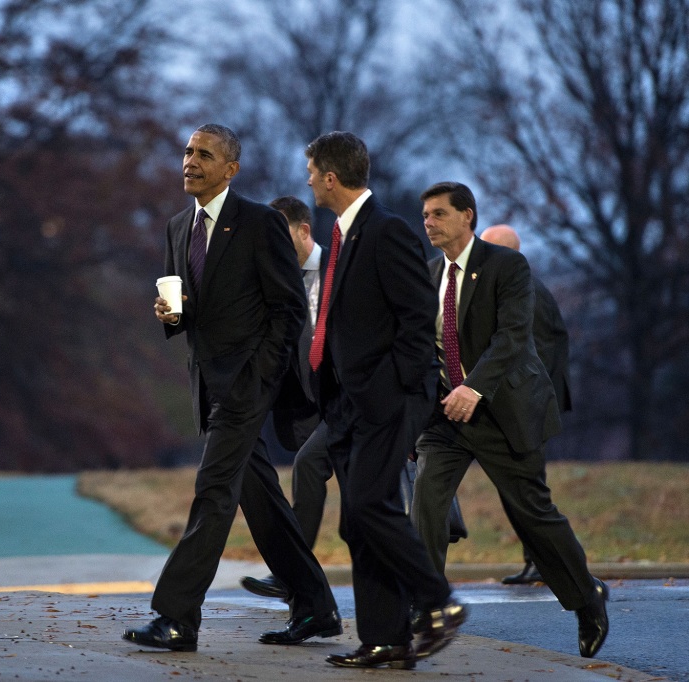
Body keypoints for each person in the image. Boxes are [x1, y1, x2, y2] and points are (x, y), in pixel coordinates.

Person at [122, 124, 341, 653]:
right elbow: (187, 308)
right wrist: (170, 314)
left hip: (247, 386)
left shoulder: (260, 222)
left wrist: (261, 376)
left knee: (213, 492)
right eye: (188, 152)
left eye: (204, 154)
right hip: (207, 383)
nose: (190, 161)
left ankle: (177, 617)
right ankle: (315, 605)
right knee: (258, 497)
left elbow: (288, 307)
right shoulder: (178, 226)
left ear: (230, 169)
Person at [412, 182, 608, 659]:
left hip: (503, 411)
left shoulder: (506, 266)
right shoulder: (428, 273)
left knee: (533, 514)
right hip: (446, 415)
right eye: (425, 215)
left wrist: (474, 388)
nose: (429, 222)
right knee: (426, 502)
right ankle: (428, 607)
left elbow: (514, 337)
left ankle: (587, 599)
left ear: (467, 216)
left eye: (439, 214)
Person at [304, 132, 465, 670]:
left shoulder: (387, 230)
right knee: (358, 521)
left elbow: (419, 323)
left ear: (330, 177)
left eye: (311, 171)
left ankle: (439, 602)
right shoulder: (345, 234)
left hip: (388, 400)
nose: (306, 180)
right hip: (349, 405)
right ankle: (386, 640)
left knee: (373, 504)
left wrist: (394, 392)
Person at [240, 196, 331, 601]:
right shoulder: (275, 279)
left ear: (303, 231)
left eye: (280, 235)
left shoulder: (339, 269)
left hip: (349, 400)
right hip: (307, 406)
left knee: (313, 468)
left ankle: (293, 574)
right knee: (312, 469)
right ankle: (296, 579)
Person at [481, 224, 574, 585]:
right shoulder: (520, 288)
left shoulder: (525, 292)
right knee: (522, 491)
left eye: (487, 250)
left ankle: (551, 564)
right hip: (524, 404)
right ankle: (538, 561)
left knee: (528, 492)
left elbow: (533, 358)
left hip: (527, 407)